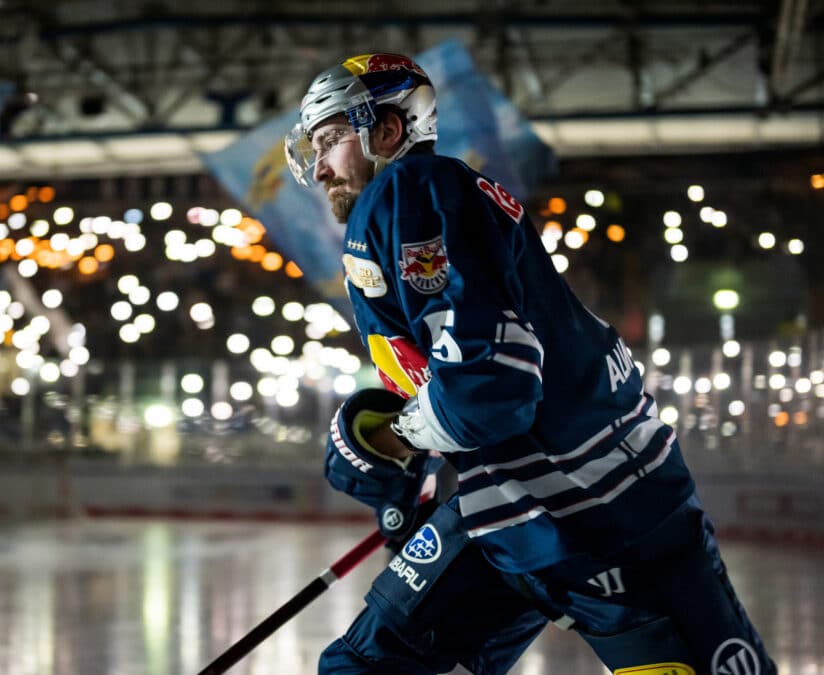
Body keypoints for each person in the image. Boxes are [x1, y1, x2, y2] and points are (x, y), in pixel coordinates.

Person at [284, 53, 775, 675]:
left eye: (331, 138)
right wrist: (412, 452)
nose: (320, 165)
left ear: (387, 132)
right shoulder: (427, 199)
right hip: (526, 512)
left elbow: (493, 387)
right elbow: (481, 378)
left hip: (599, 513)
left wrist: (392, 438)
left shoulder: (406, 188)